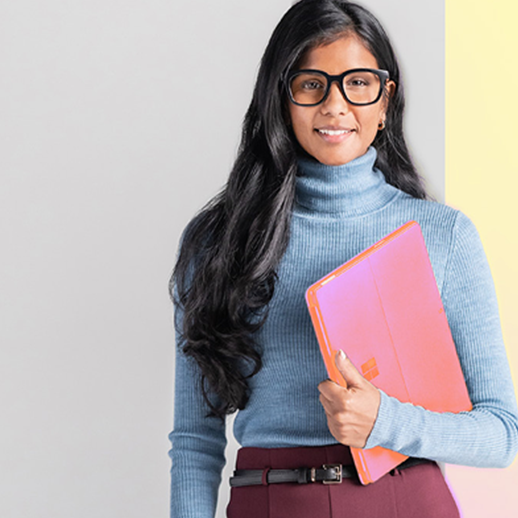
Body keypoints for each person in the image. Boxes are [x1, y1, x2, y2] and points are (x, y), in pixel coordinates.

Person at [168, 1, 518, 517]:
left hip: (406, 499)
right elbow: (195, 442)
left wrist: (386, 422)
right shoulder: (218, 242)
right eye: (312, 84)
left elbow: (501, 433)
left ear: (385, 100)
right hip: (269, 500)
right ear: (280, 96)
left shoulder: (443, 236)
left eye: (358, 83)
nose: (335, 106)